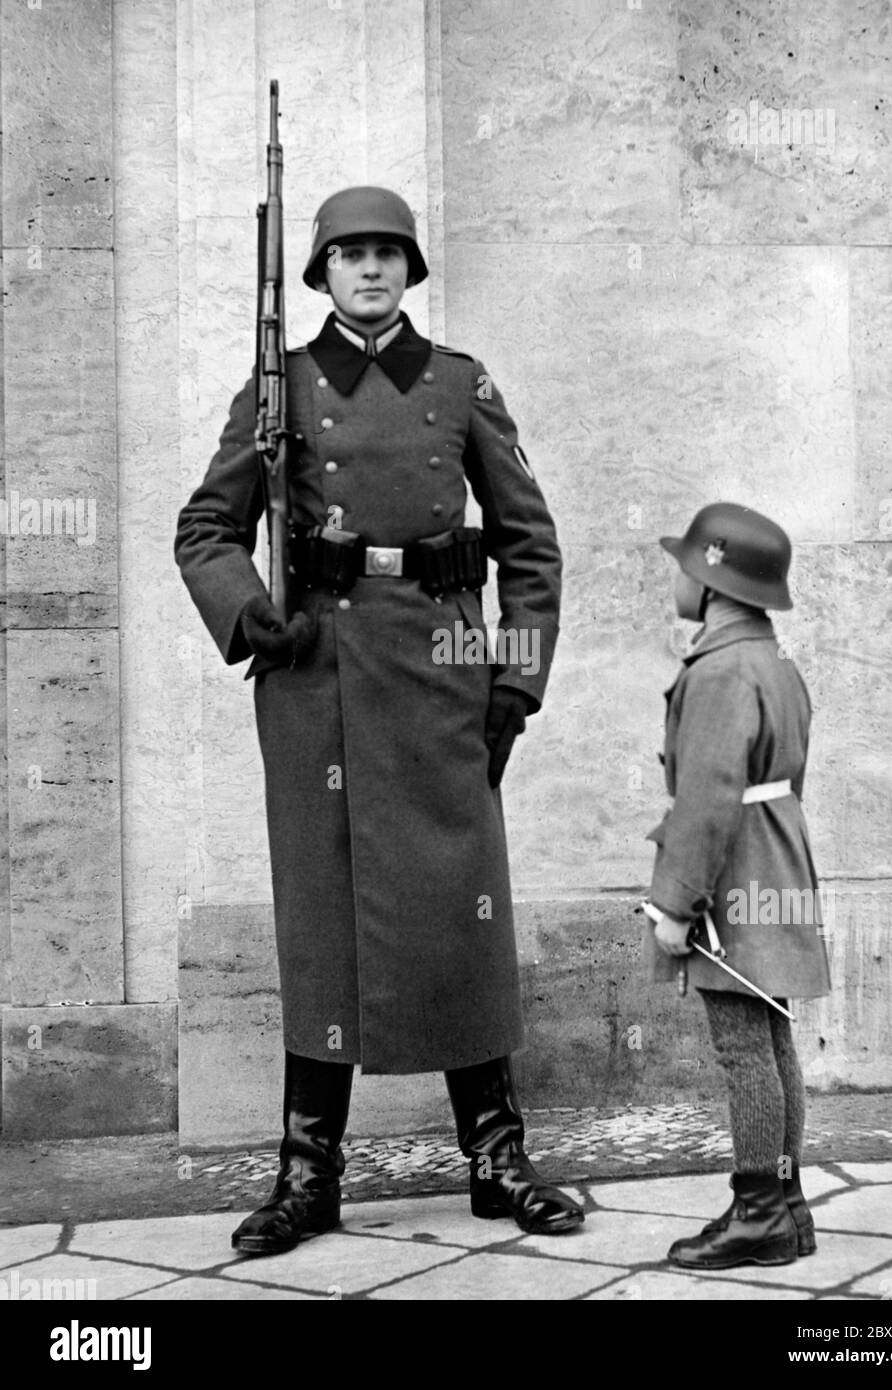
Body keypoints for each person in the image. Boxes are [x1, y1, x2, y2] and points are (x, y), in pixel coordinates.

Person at [174, 185, 583, 1255]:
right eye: (349, 255)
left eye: (388, 255)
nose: (370, 270)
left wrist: (515, 680)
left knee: (463, 909)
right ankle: (307, 1176)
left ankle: (496, 1157)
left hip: (444, 678)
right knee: (323, 924)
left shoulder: (460, 384)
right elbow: (205, 528)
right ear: (319, 274)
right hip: (318, 686)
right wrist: (246, 608)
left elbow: (532, 547)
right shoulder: (282, 389)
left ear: (411, 270)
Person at [642, 502, 831, 1270]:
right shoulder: (774, 663)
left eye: (687, 565)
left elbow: (707, 798)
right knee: (770, 1035)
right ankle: (785, 1206)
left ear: (714, 581)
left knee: (741, 1048)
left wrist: (675, 903)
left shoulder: (720, 670)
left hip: (736, 866)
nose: (679, 578)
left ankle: (758, 1213)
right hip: (777, 854)